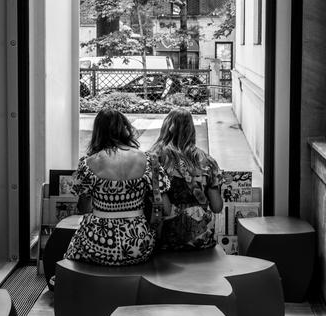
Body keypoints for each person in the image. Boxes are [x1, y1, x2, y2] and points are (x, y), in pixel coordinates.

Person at [64, 108, 170, 266]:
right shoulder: (149, 160)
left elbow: (84, 209)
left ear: (98, 132)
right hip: (139, 245)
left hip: (98, 244)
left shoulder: (88, 163)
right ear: (125, 128)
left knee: (71, 253)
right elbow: (166, 208)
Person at [150, 108, 223, 251]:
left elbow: (163, 208)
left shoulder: (155, 158)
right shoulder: (207, 160)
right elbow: (217, 206)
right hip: (202, 239)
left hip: (166, 240)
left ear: (167, 128)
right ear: (191, 130)